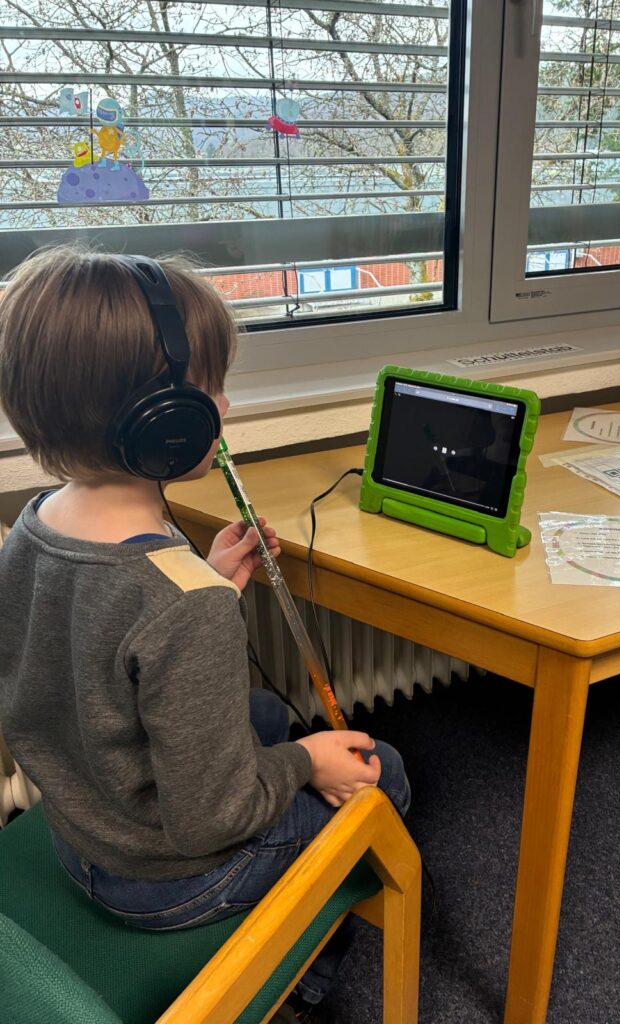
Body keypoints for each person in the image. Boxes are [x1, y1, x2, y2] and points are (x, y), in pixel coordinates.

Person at [0, 248, 410, 1023]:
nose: (223, 404)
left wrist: (211, 579)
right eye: (211, 388)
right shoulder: (184, 604)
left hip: (78, 830)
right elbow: (211, 818)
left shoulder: (34, 525)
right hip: (163, 879)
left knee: (262, 712)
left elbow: (101, 645)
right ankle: (300, 975)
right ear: (166, 423)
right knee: (377, 771)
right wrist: (308, 761)